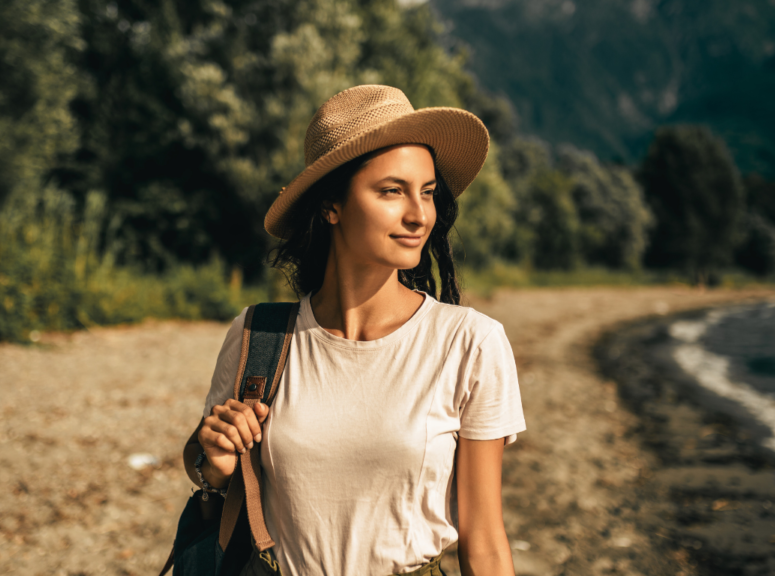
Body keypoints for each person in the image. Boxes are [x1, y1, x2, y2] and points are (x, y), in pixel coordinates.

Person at [182, 85, 526, 576]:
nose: (419, 214)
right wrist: (212, 466)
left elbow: (485, 541)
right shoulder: (260, 336)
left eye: (427, 192)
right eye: (392, 191)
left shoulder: (470, 343)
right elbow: (211, 472)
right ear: (331, 206)